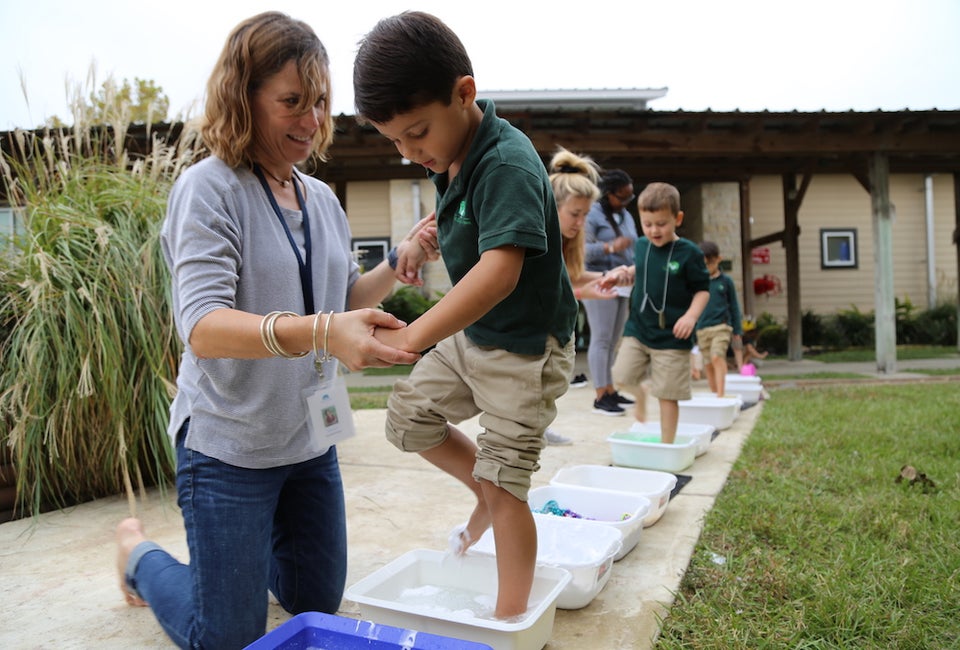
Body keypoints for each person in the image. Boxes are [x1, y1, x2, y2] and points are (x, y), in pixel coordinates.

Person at [114, 12, 438, 649]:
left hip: (308, 443)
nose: (311, 120)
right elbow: (203, 327)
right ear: (243, 97)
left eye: (319, 102)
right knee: (226, 639)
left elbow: (338, 298)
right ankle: (141, 556)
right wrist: (324, 330)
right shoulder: (208, 190)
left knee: (313, 605)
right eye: (292, 101)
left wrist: (398, 263)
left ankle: (237, 553)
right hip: (228, 447)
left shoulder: (320, 198)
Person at [353, 11, 577, 619]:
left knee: (509, 488)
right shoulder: (449, 159)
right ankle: (486, 486)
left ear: (465, 93)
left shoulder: (504, 161)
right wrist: (422, 239)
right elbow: (469, 235)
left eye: (416, 132)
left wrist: (413, 337)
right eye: (394, 140)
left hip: (526, 350)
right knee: (406, 419)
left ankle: (508, 620)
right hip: (475, 339)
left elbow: (498, 273)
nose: (407, 152)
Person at [602, 182, 710, 443]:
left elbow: (703, 290)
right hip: (639, 329)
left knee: (667, 393)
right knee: (621, 375)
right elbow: (642, 267)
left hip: (673, 336)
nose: (653, 230)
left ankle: (667, 444)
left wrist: (690, 316)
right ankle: (640, 395)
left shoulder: (690, 253)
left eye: (661, 224)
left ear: (678, 218)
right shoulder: (641, 245)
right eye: (647, 224)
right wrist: (626, 273)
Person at [543, 147, 621, 445]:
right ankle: (531, 431)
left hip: (552, 326)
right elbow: (543, 290)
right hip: (528, 329)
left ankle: (538, 428)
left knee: (550, 381)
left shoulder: (566, 241)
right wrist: (582, 292)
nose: (580, 223)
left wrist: (607, 276)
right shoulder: (539, 241)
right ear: (553, 207)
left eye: (585, 215)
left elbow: (570, 276)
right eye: (575, 214)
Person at [583, 169, 639, 415]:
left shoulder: (625, 215)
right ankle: (599, 396)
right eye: (622, 197)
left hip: (623, 281)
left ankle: (610, 390)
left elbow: (634, 244)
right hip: (599, 279)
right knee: (602, 338)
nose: (627, 202)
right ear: (609, 194)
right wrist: (609, 247)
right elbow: (580, 249)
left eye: (630, 197)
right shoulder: (592, 214)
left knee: (613, 340)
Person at [695, 240, 744, 398]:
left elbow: (734, 307)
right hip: (702, 329)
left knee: (717, 356)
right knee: (708, 364)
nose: (707, 267)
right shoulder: (697, 283)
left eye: (710, 263)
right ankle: (714, 392)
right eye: (704, 264)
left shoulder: (726, 282)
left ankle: (721, 395)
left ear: (718, 259)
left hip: (721, 327)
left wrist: (737, 330)